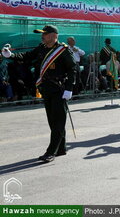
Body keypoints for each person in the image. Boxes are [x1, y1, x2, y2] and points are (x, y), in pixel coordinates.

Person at [2, 25, 76, 162]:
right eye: (42, 34)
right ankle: (61, 148)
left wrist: (69, 89)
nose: (42, 36)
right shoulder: (41, 48)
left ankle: (51, 152)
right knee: (52, 121)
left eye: (45, 34)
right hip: (46, 88)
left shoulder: (63, 51)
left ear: (54, 36)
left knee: (58, 121)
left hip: (59, 89)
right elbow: (27, 56)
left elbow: (72, 69)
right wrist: (10, 55)